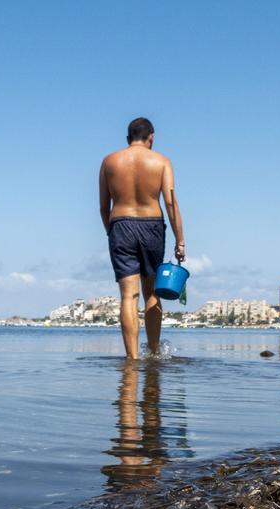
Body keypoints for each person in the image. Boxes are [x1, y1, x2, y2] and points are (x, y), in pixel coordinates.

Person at [99, 117, 185, 359]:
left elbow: (103, 207)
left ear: (128, 139)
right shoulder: (161, 161)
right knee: (152, 293)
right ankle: (155, 351)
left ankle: (132, 358)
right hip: (152, 227)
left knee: (128, 295)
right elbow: (170, 202)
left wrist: (111, 232)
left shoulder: (109, 161)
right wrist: (180, 240)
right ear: (152, 137)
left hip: (120, 225)